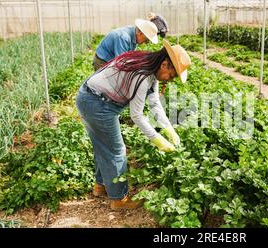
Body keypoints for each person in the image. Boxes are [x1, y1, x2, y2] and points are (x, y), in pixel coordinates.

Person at [76, 40, 191, 210]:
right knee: (116, 150)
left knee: (103, 146)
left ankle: (100, 187)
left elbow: (154, 103)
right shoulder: (143, 75)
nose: (171, 80)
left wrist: (169, 129)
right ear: (165, 64)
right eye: (172, 75)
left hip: (91, 98)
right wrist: (157, 139)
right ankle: (118, 199)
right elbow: (136, 115)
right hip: (97, 104)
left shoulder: (151, 67)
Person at [93, 14, 169, 70]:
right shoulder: (123, 38)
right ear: (141, 34)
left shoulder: (134, 34)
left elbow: (128, 56)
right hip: (102, 61)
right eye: (146, 40)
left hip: (112, 60)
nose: (146, 43)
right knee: (106, 86)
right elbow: (121, 62)